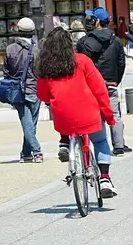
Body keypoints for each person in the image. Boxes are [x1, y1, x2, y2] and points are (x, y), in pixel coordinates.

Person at [36, 28, 118, 198]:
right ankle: (104, 178)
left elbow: (42, 95)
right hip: (89, 114)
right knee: (101, 140)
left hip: (63, 119)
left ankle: (65, 143)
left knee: (66, 122)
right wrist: (109, 116)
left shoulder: (47, 67)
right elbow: (99, 90)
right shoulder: (82, 61)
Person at [76, 7, 132, 157]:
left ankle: (97, 145)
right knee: (114, 114)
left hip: (91, 85)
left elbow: (80, 64)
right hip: (111, 83)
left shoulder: (85, 42)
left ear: (97, 21)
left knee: (93, 114)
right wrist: (115, 80)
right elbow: (121, 63)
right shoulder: (116, 41)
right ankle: (119, 146)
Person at [4, 17, 42, 163]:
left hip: (16, 91)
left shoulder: (9, 49)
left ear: (17, 31)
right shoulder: (37, 51)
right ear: (32, 32)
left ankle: (26, 153)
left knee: (28, 124)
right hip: (34, 89)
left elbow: (6, 72)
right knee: (31, 124)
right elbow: (40, 72)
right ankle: (37, 151)